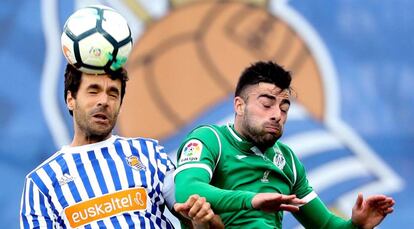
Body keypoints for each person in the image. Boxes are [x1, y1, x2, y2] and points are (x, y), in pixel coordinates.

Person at [174, 61, 395, 228]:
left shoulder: (287, 160)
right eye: (267, 104)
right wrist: (252, 200)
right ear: (239, 106)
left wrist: (356, 225)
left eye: (284, 108)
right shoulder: (211, 139)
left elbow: (325, 224)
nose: (277, 115)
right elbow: (186, 190)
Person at [20, 64, 221, 228]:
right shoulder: (41, 183)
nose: (104, 101)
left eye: (113, 94)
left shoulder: (149, 153)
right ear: (70, 99)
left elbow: (194, 217)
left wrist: (201, 219)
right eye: (93, 91)